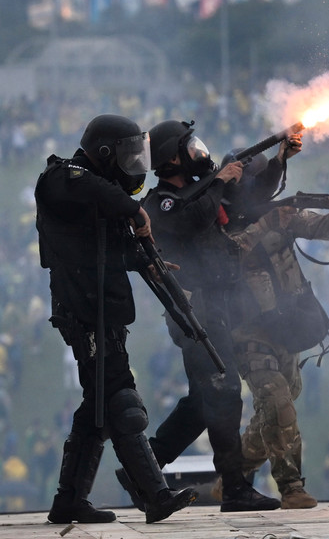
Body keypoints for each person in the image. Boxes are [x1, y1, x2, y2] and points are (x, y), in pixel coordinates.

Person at [35, 114, 198, 524]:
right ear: (105, 153)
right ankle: (154, 494)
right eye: (125, 154)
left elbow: (110, 251)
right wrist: (133, 210)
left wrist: (149, 262)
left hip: (104, 310)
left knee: (97, 410)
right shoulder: (64, 178)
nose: (133, 164)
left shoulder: (100, 196)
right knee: (123, 402)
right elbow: (85, 186)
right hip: (83, 310)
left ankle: (69, 500)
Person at [117, 119, 281, 513]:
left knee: (203, 401)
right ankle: (236, 489)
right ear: (173, 157)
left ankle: (146, 465)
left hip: (214, 307)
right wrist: (220, 182)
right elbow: (193, 219)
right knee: (224, 393)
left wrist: (280, 159)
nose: (200, 152)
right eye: (190, 147)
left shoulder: (204, 191)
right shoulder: (162, 204)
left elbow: (253, 199)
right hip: (195, 309)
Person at [221, 151, 329, 509]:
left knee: (283, 398)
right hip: (247, 328)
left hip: (285, 324)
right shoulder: (221, 219)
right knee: (277, 399)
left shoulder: (279, 214)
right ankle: (291, 486)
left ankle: (235, 472)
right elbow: (230, 253)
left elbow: (319, 228)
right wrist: (269, 223)